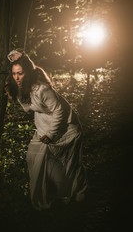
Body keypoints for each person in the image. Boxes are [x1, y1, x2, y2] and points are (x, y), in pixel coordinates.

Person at [6, 50, 87, 210]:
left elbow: (59, 111)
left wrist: (51, 134)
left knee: (70, 162)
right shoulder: (23, 87)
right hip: (44, 125)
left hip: (67, 127)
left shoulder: (42, 89)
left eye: (20, 73)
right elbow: (28, 108)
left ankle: (78, 190)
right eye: (14, 74)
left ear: (27, 73)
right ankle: (54, 192)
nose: (16, 78)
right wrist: (15, 94)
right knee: (33, 157)